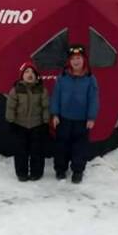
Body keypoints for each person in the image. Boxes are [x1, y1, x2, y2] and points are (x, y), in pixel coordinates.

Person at [50, 44, 99, 184]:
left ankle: (78, 171)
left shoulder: (90, 79)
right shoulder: (62, 77)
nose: (76, 61)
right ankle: (60, 169)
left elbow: (93, 99)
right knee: (61, 145)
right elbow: (55, 97)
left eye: (78, 58)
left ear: (84, 60)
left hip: (82, 121)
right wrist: (55, 114)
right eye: (73, 59)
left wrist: (91, 117)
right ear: (69, 62)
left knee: (80, 147)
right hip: (63, 119)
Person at [5, 61, 50, 182]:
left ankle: (36, 172)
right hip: (20, 125)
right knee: (21, 151)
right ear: (22, 75)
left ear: (36, 76)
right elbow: (11, 107)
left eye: (32, 72)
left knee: (37, 151)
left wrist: (46, 122)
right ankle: (21, 173)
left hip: (37, 125)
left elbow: (45, 107)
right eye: (27, 72)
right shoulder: (16, 90)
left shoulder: (42, 90)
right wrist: (11, 121)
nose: (30, 74)